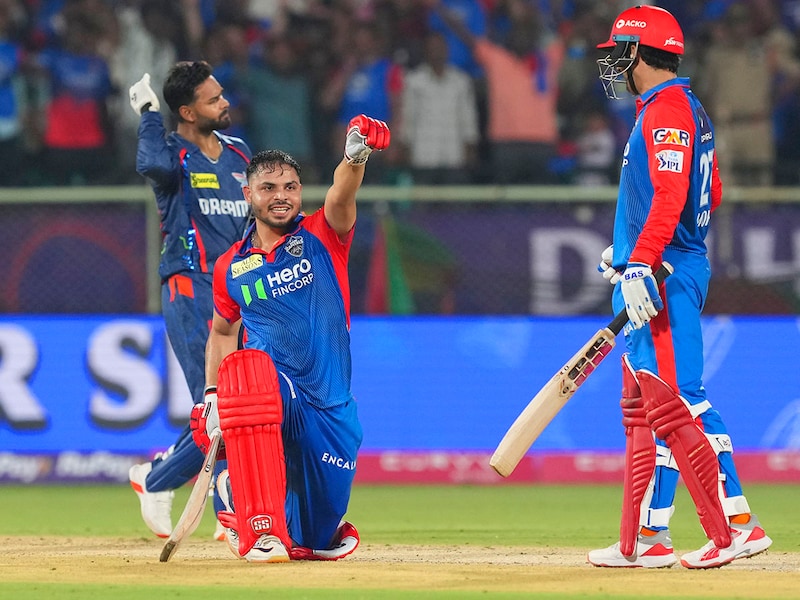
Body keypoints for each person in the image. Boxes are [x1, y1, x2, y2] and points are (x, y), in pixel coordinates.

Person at [589, 5, 772, 569]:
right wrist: (627, 252)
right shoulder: (683, 108)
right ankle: (647, 538)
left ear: (640, 54)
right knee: (645, 407)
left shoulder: (666, 111)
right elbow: (708, 192)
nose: (613, 63)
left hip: (661, 273)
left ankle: (738, 526)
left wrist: (644, 261)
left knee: (680, 400)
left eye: (619, 51)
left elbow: (672, 197)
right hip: (659, 264)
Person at [189, 114, 389, 563]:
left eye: (290, 188)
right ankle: (261, 531)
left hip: (329, 402)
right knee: (251, 373)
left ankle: (235, 492)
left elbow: (343, 191)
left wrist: (355, 156)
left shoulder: (322, 233)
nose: (281, 197)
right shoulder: (230, 267)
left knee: (314, 537)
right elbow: (222, 332)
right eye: (268, 188)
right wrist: (213, 397)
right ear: (248, 194)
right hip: (271, 391)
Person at [127, 60, 252, 539]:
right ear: (187, 110)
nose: (224, 103)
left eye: (222, 94)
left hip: (238, 290)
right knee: (221, 404)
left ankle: (156, 478)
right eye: (213, 99)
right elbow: (150, 163)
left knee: (229, 403)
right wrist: (147, 113)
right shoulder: (173, 155)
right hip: (189, 284)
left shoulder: (240, 155)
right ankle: (230, 500)